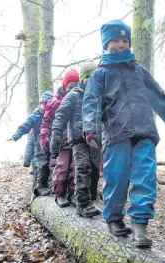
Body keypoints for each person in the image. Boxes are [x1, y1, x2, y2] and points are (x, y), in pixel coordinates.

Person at [82, 19, 165, 247]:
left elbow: (158, 96)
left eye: (124, 40)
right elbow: (90, 103)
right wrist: (90, 130)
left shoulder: (139, 71)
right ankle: (114, 217)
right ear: (106, 45)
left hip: (144, 132)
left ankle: (140, 223)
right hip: (116, 133)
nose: (121, 45)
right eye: (115, 41)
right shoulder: (99, 76)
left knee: (145, 176)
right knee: (116, 176)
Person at [50, 62, 101, 217]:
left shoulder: (99, 96)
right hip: (79, 139)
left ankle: (90, 198)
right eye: (89, 77)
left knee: (95, 170)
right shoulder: (73, 96)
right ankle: (82, 204)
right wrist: (55, 137)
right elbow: (60, 117)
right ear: (83, 79)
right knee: (82, 168)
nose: (92, 81)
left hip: (96, 140)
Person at [39, 70, 79, 208]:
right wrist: (45, 138)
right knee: (61, 167)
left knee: (76, 169)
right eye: (70, 87)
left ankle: (73, 194)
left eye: (76, 86)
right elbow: (46, 122)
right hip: (61, 142)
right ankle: (59, 194)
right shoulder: (55, 102)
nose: (73, 90)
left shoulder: (80, 99)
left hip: (76, 141)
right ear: (64, 86)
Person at [8, 91, 54, 197]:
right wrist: (16, 135)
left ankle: (51, 187)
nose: (44, 106)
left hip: (51, 145)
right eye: (42, 104)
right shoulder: (35, 116)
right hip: (39, 146)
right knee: (40, 166)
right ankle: (37, 190)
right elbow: (25, 126)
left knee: (51, 165)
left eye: (46, 104)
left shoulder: (53, 115)